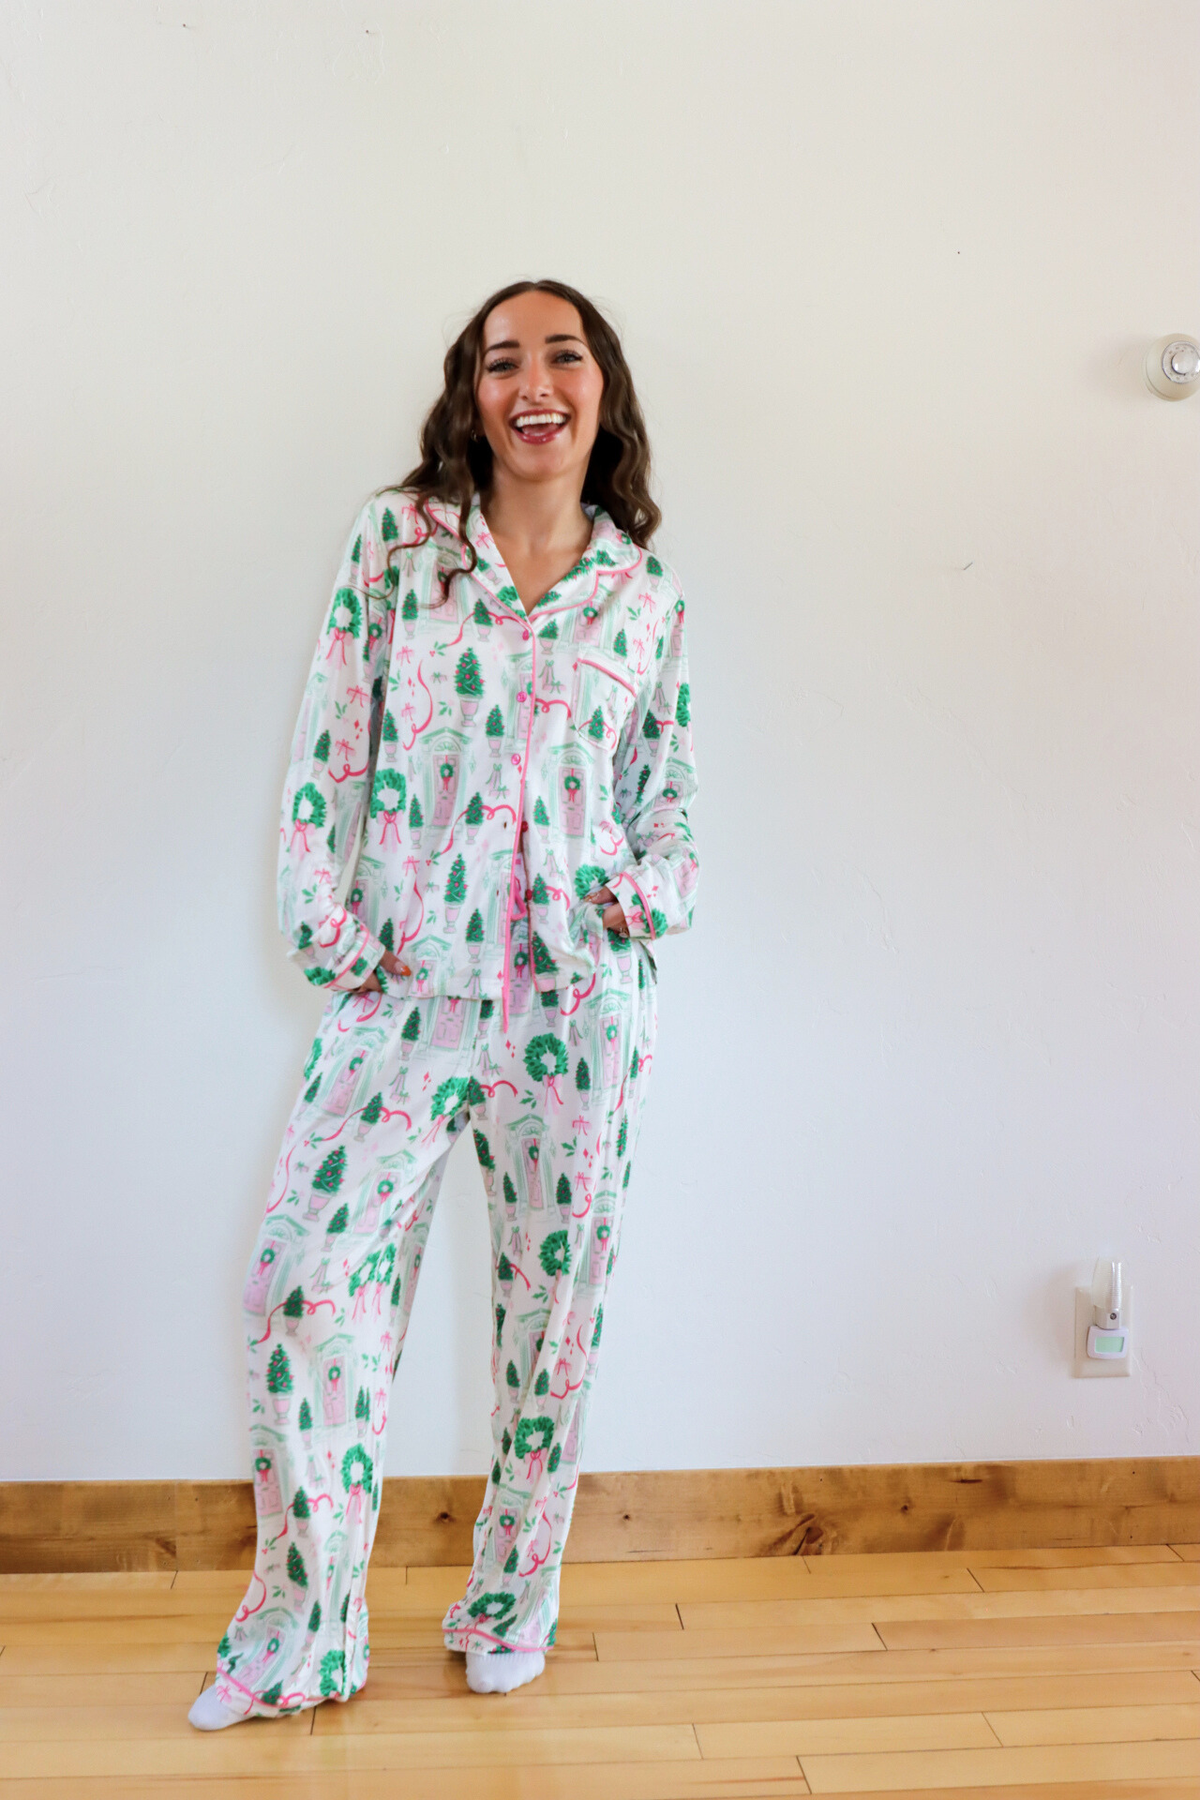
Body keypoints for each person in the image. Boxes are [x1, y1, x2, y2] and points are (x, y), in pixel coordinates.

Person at [189, 279, 699, 1727]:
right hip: (404, 993)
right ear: (471, 394)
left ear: (603, 391)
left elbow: (674, 805)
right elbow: (326, 750)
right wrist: (328, 927)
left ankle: (511, 1597)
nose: (532, 380)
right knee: (301, 1286)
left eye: (562, 354)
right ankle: (306, 1633)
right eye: (500, 360)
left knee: (554, 1317)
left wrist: (639, 908)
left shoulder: (644, 600)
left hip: (579, 1010)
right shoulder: (396, 546)